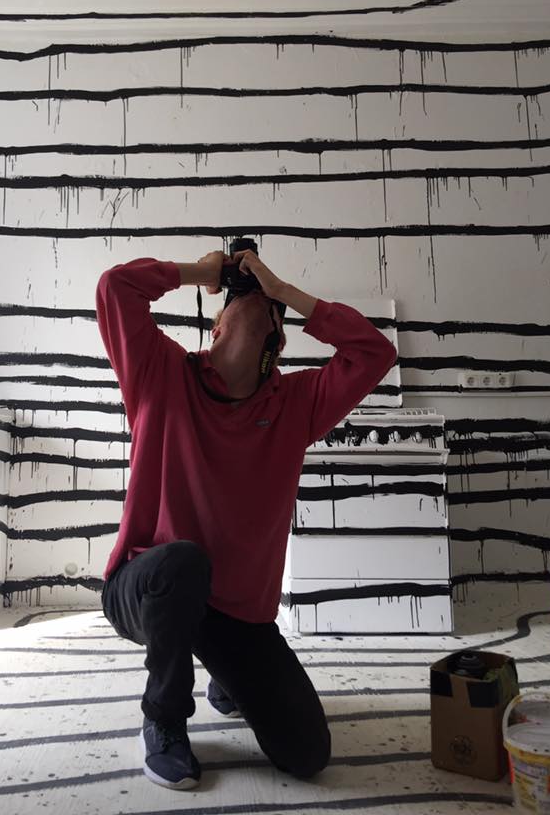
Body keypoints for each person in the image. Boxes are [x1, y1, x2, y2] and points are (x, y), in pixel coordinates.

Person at [96, 248, 397, 791]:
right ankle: (163, 720)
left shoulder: (296, 404)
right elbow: (116, 288)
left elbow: (374, 353)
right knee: (182, 564)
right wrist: (203, 273)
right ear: (215, 327)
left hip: (234, 616)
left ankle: (227, 677)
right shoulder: (160, 372)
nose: (257, 298)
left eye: (269, 307)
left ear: (276, 344)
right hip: (146, 585)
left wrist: (287, 293)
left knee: (307, 753)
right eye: (242, 296)